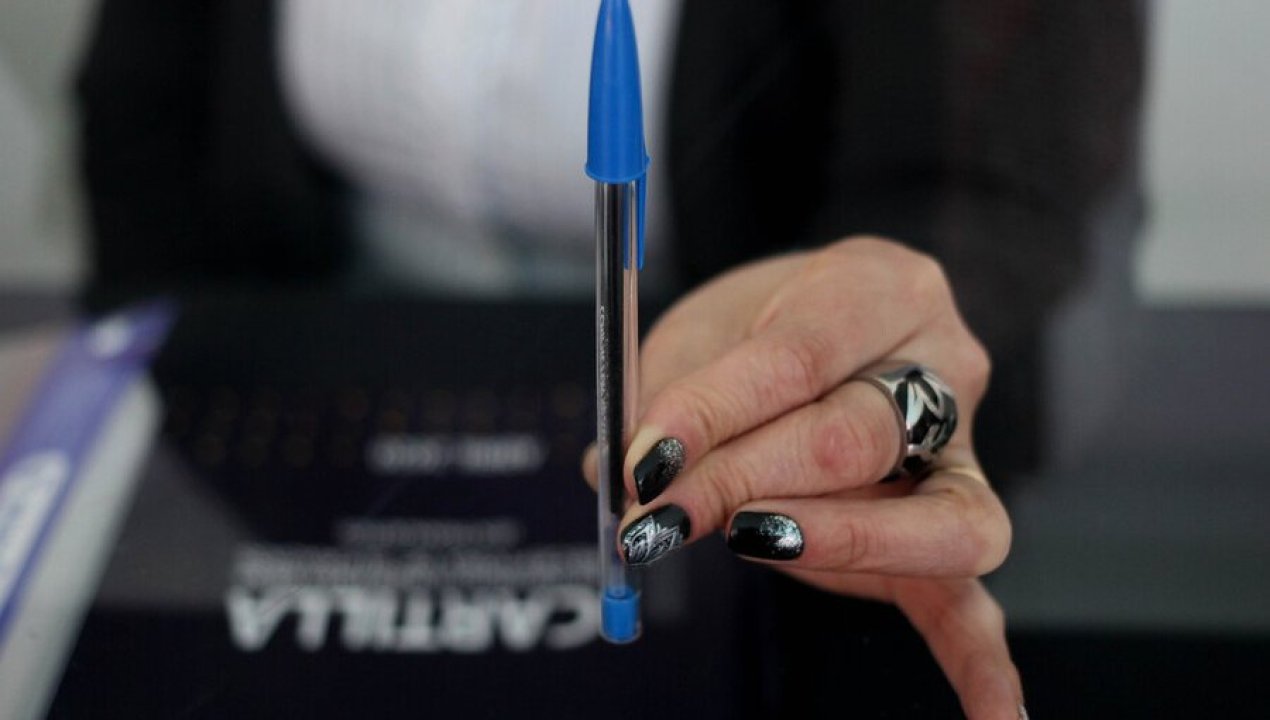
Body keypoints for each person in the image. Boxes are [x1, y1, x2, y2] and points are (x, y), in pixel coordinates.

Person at [75, 2, 1145, 717]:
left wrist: (874, 356)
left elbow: (985, 194)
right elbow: (146, 128)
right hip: (309, 442)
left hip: (732, 463)